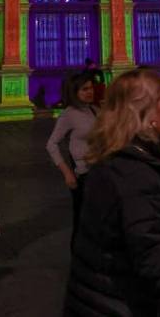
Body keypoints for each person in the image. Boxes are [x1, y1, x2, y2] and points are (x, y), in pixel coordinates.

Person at [64, 68, 160, 316]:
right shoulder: (135, 175)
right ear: (147, 113)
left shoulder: (113, 159)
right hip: (120, 304)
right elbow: (158, 262)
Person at [44, 71, 98, 247]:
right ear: (74, 92)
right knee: (82, 221)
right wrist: (67, 172)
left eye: (91, 88)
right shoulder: (69, 114)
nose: (90, 92)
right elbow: (51, 144)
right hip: (83, 176)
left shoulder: (95, 110)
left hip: (99, 172)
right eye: (84, 89)